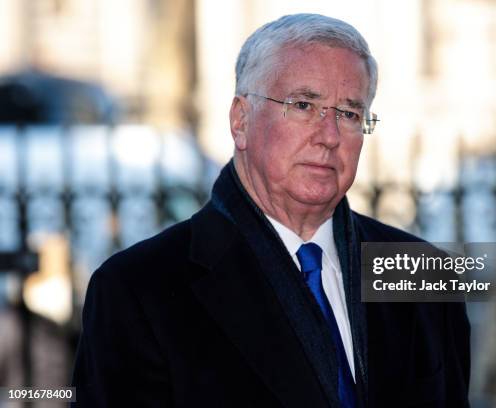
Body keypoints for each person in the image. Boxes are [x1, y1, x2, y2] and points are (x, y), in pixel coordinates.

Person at [71, 13, 470, 407]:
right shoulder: (138, 290)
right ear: (240, 120)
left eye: (349, 114)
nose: (329, 136)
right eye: (302, 105)